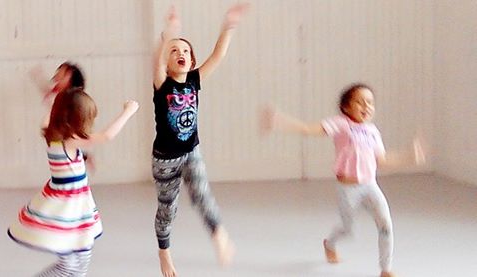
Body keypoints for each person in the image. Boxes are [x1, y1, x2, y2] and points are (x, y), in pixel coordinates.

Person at [261, 83, 425, 277]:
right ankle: (330, 243)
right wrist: (279, 121)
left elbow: (382, 161)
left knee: (385, 225)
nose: (366, 106)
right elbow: (308, 129)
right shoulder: (340, 124)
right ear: (346, 107)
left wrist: (409, 156)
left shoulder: (373, 131)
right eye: (360, 102)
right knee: (348, 229)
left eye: (370, 103)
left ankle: (385, 269)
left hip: (370, 186)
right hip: (348, 189)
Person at [151, 3, 249, 277]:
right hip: (165, 160)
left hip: (191, 151)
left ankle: (218, 234)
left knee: (202, 194)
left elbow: (218, 54)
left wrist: (227, 25)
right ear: (167, 62)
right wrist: (169, 34)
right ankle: (164, 252)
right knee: (167, 209)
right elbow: (155, 62)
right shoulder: (162, 83)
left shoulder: (194, 79)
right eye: (174, 51)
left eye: (185, 51)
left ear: (192, 61)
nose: (180, 53)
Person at [8, 87, 139, 276]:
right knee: (71, 266)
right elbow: (106, 136)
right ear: (77, 120)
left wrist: (58, 102)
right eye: (88, 119)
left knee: (78, 261)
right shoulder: (69, 141)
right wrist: (128, 111)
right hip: (67, 209)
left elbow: (50, 116)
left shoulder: (51, 133)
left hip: (70, 206)